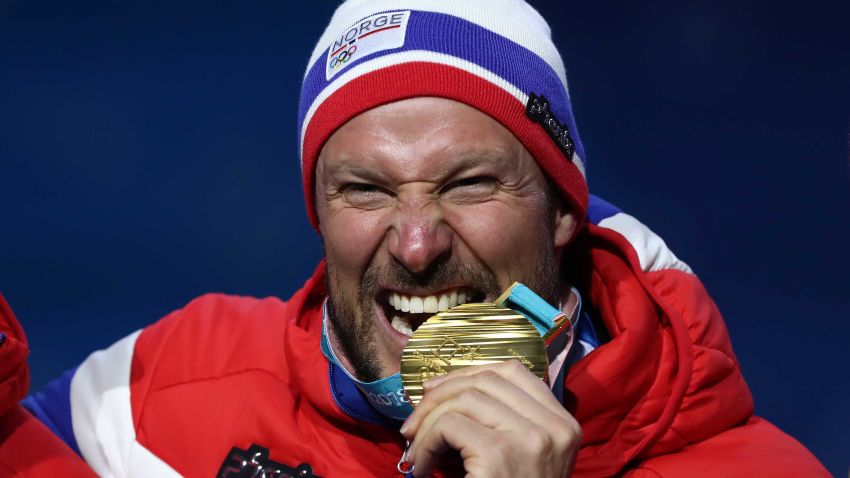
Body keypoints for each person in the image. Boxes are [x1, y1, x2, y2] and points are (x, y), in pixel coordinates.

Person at [0, 1, 830, 476]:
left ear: (564, 209)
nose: (419, 242)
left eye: (469, 184)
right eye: (365, 190)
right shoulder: (158, 400)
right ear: (319, 216)